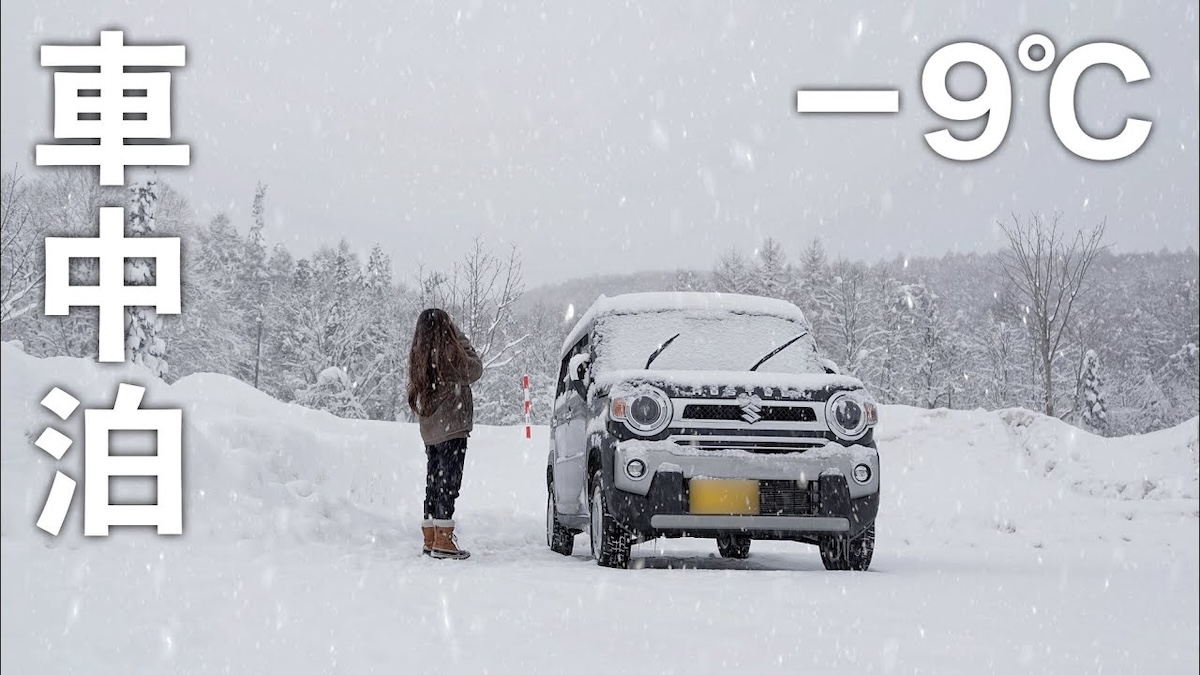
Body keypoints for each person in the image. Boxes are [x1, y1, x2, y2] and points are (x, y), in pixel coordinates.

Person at [407, 308, 484, 560]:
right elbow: (475, 369)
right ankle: (443, 540)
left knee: (434, 482)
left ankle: (430, 537)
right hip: (452, 427)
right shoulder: (450, 352)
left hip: (430, 431)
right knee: (449, 483)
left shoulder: (419, 355)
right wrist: (459, 337)